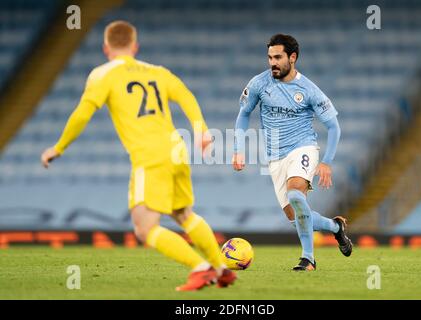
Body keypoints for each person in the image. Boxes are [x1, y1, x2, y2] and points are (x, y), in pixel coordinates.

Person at [41, 20, 236, 290]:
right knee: (184, 214)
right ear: (135, 46)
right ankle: (221, 268)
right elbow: (186, 95)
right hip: (176, 149)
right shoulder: (157, 71)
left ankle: (201, 268)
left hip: (149, 154)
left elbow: (82, 113)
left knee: (144, 228)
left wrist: (59, 147)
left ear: (106, 47)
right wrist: (201, 129)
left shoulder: (102, 74)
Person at [232, 34, 352, 271]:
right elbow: (243, 114)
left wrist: (326, 161)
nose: (272, 63)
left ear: (292, 57)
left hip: (303, 147)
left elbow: (333, 126)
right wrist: (238, 149)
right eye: (269, 57)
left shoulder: (308, 89)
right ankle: (336, 228)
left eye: (278, 57)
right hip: (275, 158)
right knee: (295, 216)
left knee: (297, 196)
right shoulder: (259, 83)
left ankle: (308, 259)